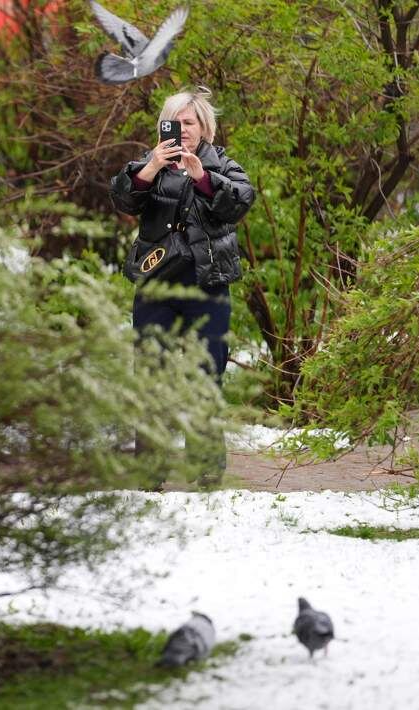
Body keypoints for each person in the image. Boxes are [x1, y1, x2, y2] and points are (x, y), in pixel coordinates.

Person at [108, 87, 255, 487]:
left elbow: (241, 201)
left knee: (206, 373)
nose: (182, 130)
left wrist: (202, 177)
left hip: (207, 284)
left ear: (204, 126)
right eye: (174, 123)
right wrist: (150, 168)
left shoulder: (220, 163)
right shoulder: (149, 163)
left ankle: (205, 465)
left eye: (189, 122)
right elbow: (123, 198)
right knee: (151, 373)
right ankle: (149, 469)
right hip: (156, 285)